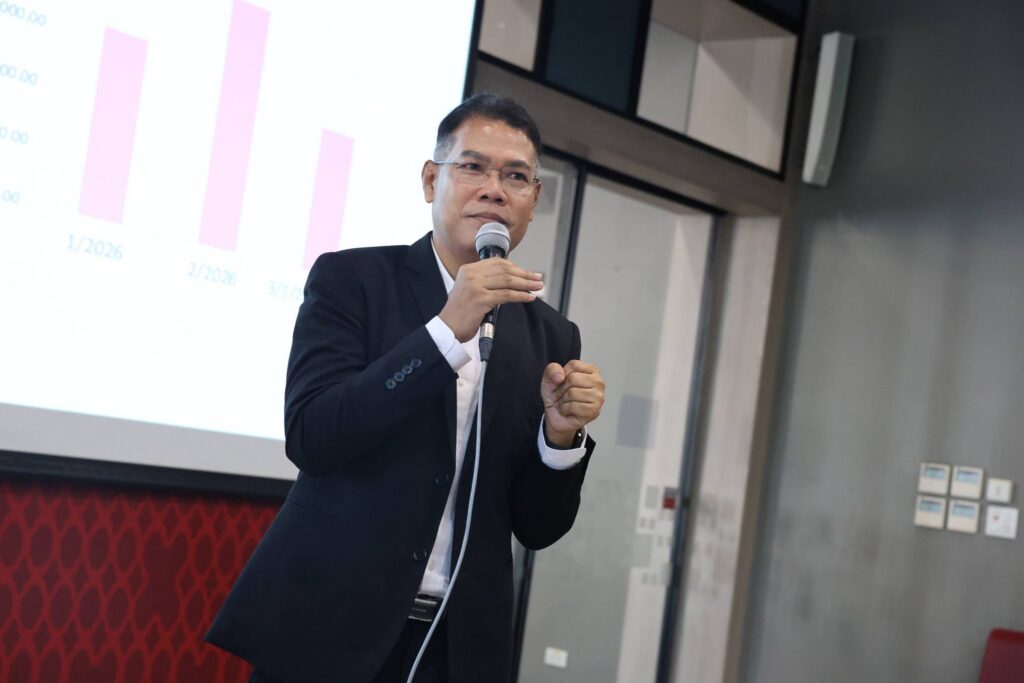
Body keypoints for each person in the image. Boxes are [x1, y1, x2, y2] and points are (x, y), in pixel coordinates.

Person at [207, 93, 606, 682]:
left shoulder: (551, 334)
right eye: (473, 167)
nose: (494, 190)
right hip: (330, 628)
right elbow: (314, 437)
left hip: (458, 646)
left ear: (533, 200)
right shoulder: (353, 280)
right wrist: (445, 331)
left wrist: (561, 436)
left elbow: (537, 527)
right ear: (430, 181)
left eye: (516, 176)